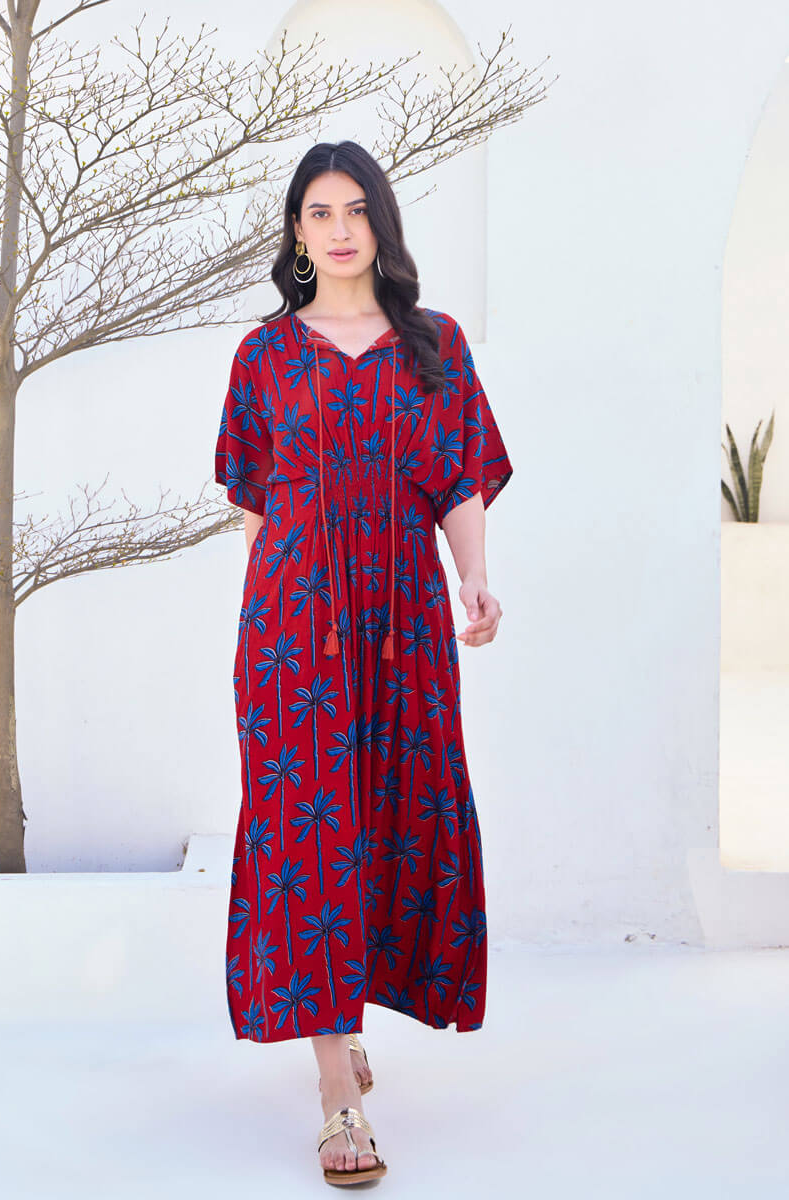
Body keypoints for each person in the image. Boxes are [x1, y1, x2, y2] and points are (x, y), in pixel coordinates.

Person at [214, 140, 513, 1186]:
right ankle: (337, 1089)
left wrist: (475, 580)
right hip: (294, 630)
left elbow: (458, 480)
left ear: (381, 222)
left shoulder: (436, 344)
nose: (339, 229)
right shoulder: (263, 355)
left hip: (405, 626)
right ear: (296, 232)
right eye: (319, 212)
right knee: (307, 832)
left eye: (356, 210)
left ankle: (350, 1015)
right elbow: (257, 508)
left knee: (393, 812)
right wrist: (273, 620)